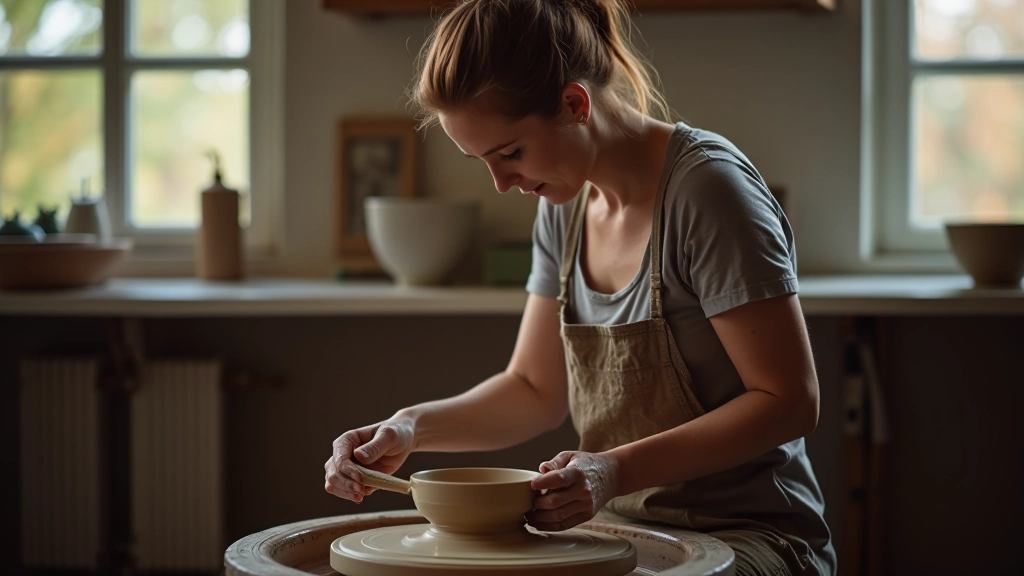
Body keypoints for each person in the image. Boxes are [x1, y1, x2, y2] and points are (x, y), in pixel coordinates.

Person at [325, 1, 836, 574]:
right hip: (623, 534)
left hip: (751, 538)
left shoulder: (708, 192)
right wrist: (409, 427)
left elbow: (789, 402)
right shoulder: (564, 208)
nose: (501, 184)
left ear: (574, 104)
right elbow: (532, 390)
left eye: (510, 153)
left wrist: (613, 470)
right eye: (482, 162)